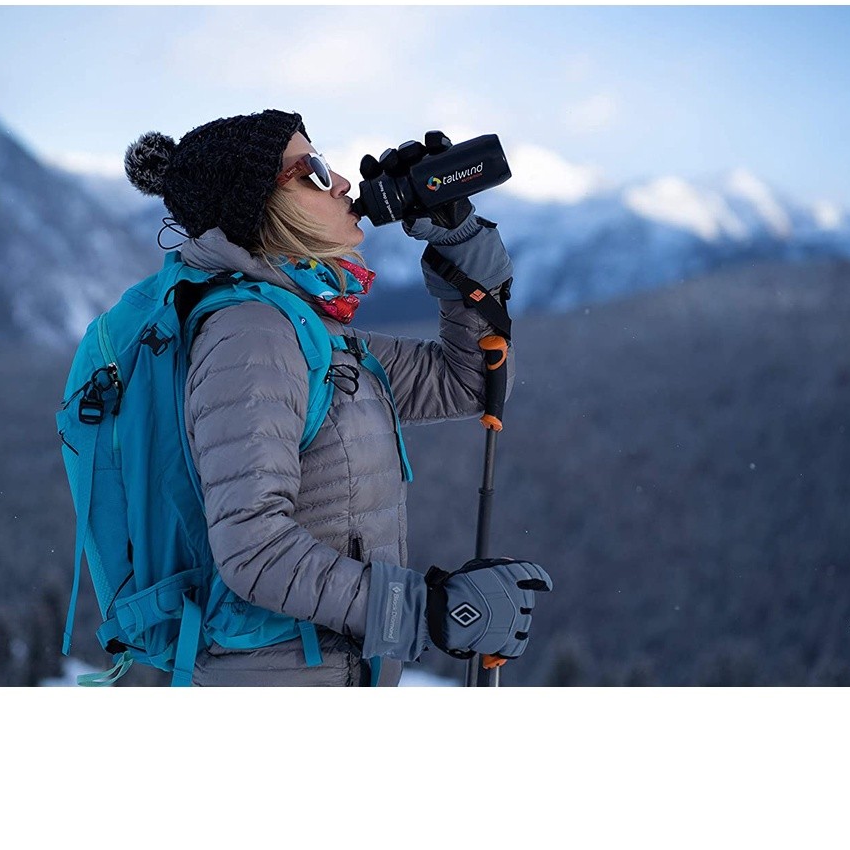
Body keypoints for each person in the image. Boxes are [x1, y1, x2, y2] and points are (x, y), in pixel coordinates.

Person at [124, 109, 551, 686]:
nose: (344, 182)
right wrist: (426, 612)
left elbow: (466, 382)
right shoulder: (253, 336)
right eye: (314, 172)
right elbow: (253, 548)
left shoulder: (309, 332)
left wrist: (459, 239)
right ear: (259, 208)